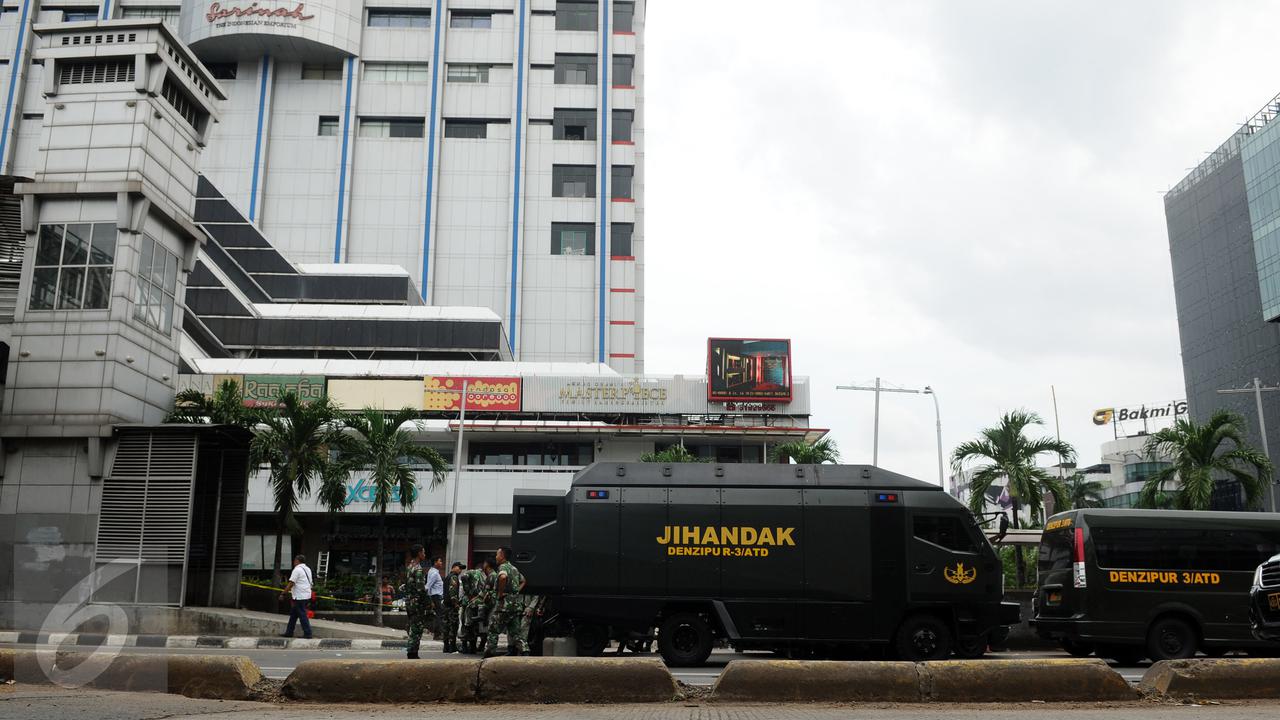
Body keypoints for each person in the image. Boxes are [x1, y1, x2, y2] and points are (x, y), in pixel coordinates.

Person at [484, 547, 526, 657]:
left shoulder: (502, 567)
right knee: (516, 632)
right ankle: (525, 650)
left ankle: (490, 653)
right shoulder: (514, 568)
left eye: (497, 554)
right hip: (515, 605)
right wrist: (515, 591)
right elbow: (523, 580)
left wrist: (500, 593)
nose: (496, 557)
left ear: (502, 556)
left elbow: (503, 577)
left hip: (503, 606)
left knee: (493, 629)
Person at [459, 559, 492, 654]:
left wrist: (469, 592)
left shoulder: (474, 572)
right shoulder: (486, 576)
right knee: (478, 625)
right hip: (479, 603)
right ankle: (478, 646)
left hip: (469, 602)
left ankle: (466, 646)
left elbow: (464, 577)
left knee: (466, 624)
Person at [402, 544, 429, 659]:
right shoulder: (418, 569)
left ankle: (411, 651)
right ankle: (413, 652)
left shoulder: (409, 567)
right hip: (417, 603)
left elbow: (407, 586)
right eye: (423, 552)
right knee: (417, 627)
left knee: (413, 626)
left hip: (409, 602)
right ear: (419, 553)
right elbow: (421, 589)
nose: (424, 554)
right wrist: (429, 602)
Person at [279, 554, 314, 640]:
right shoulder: (307, 569)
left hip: (300, 596)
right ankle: (289, 632)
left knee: (302, 615)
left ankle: (308, 633)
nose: (294, 562)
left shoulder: (297, 570)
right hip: (306, 595)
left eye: (295, 560)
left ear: (297, 561)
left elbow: (291, 583)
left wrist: (283, 593)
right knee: (293, 615)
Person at [442, 562, 465, 653]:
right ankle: (452, 646)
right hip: (451, 606)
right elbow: (453, 592)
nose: (460, 570)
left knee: (446, 627)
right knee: (453, 626)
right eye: (459, 568)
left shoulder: (448, 576)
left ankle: (446, 646)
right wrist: (456, 604)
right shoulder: (453, 577)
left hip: (446, 605)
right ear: (454, 567)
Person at [426, 556, 445, 640]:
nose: (441, 563)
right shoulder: (434, 573)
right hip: (436, 597)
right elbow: (428, 586)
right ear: (435, 563)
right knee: (439, 615)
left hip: (435, 596)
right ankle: (437, 634)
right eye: (440, 561)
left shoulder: (432, 571)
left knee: (438, 615)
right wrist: (430, 599)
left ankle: (437, 633)